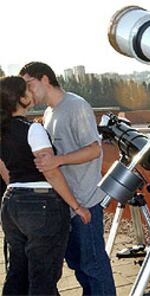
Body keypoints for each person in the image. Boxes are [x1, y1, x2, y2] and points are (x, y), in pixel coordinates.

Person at [19, 62, 117, 295]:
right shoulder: (49, 112)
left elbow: (94, 150)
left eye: (29, 84)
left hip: (86, 201)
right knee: (80, 267)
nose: (27, 92)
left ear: (44, 78)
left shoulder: (76, 106)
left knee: (93, 268)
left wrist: (58, 160)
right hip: (67, 202)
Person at [0, 76, 91, 295]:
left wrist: (18, 193)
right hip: (41, 205)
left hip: (11, 203)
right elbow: (51, 171)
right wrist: (76, 207)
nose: (31, 93)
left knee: (17, 272)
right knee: (43, 276)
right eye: (27, 90)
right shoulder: (33, 129)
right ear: (22, 99)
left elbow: (4, 169)